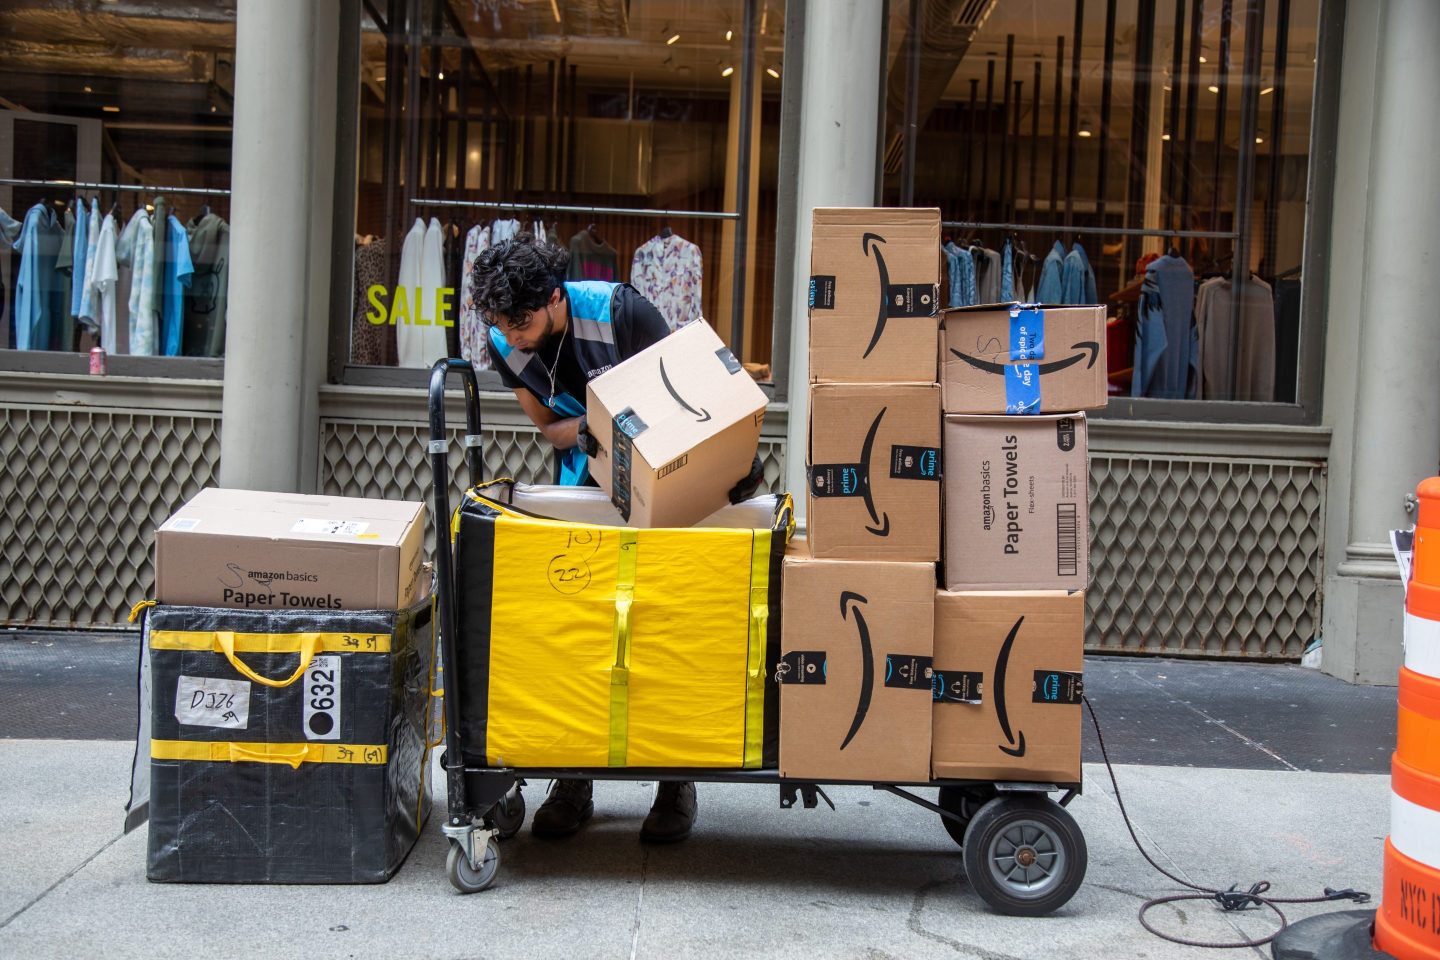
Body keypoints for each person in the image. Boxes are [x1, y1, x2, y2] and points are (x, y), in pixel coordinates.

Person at [470, 233, 763, 843]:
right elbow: (551, 428)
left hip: (667, 490)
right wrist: (602, 431)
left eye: (520, 320)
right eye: (500, 323)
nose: (511, 335)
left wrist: (707, 465)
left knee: (664, 628)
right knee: (582, 633)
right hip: (585, 487)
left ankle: (675, 785)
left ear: (555, 297)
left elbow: (686, 402)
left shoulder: (621, 313)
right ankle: (574, 782)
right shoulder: (507, 341)